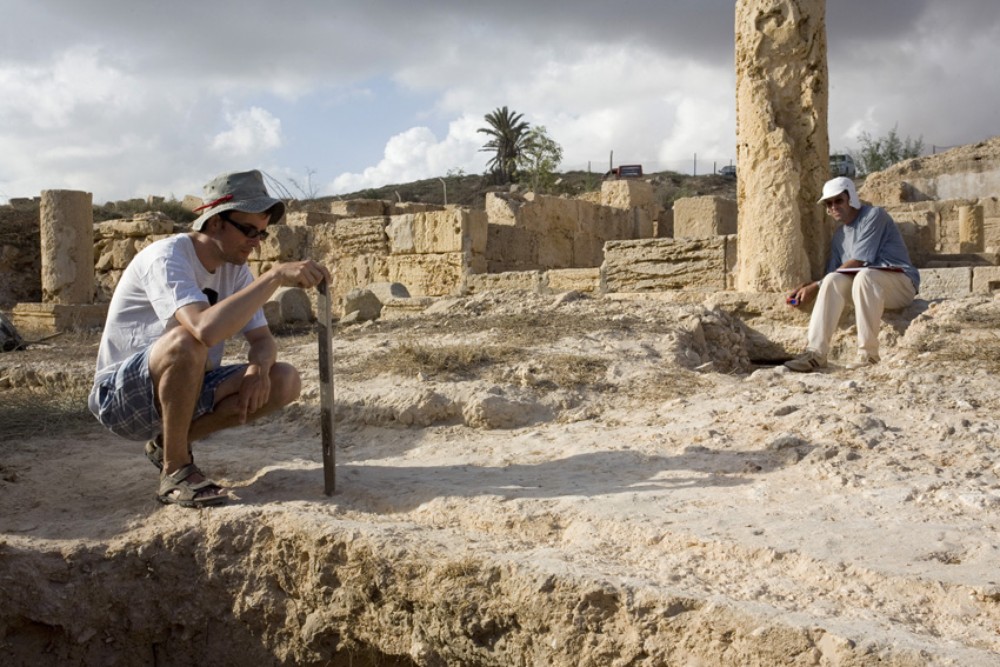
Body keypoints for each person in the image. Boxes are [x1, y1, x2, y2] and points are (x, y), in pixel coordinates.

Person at [88, 169, 331, 507]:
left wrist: (258, 370)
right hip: (120, 396)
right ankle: (176, 470)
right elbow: (203, 329)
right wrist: (274, 276)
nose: (257, 242)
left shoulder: (236, 270)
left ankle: (166, 445)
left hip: (185, 386)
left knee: (284, 379)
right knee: (186, 340)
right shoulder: (167, 257)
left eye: (262, 233)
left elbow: (262, 341)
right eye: (249, 230)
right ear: (216, 222)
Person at [784, 176, 919, 372]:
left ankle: (868, 355)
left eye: (838, 200)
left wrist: (815, 286)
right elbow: (834, 275)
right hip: (866, 288)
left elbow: (858, 262)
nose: (833, 207)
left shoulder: (874, 215)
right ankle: (815, 354)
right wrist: (808, 286)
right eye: (829, 203)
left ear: (851, 198)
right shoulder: (839, 236)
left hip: (901, 284)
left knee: (865, 275)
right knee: (832, 279)